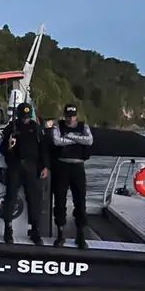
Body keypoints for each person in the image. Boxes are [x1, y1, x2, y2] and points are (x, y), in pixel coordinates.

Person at [0, 102, 49, 245]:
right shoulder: (11, 128)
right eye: (23, 117)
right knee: (10, 198)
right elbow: (3, 149)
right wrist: (9, 146)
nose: (25, 119)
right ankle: (8, 230)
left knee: (34, 200)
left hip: (32, 166)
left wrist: (45, 166)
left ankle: (35, 230)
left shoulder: (36, 128)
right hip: (15, 165)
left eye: (27, 117)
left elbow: (43, 149)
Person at [50, 103, 93, 249]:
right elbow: (57, 141)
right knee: (60, 201)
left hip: (78, 167)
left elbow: (89, 140)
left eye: (73, 116)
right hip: (61, 167)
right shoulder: (58, 125)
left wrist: (69, 137)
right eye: (68, 116)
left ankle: (80, 235)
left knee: (80, 201)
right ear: (65, 116)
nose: (71, 119)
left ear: (76, 116)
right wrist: (77, 139)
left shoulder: (83, 126)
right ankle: (60, 235)